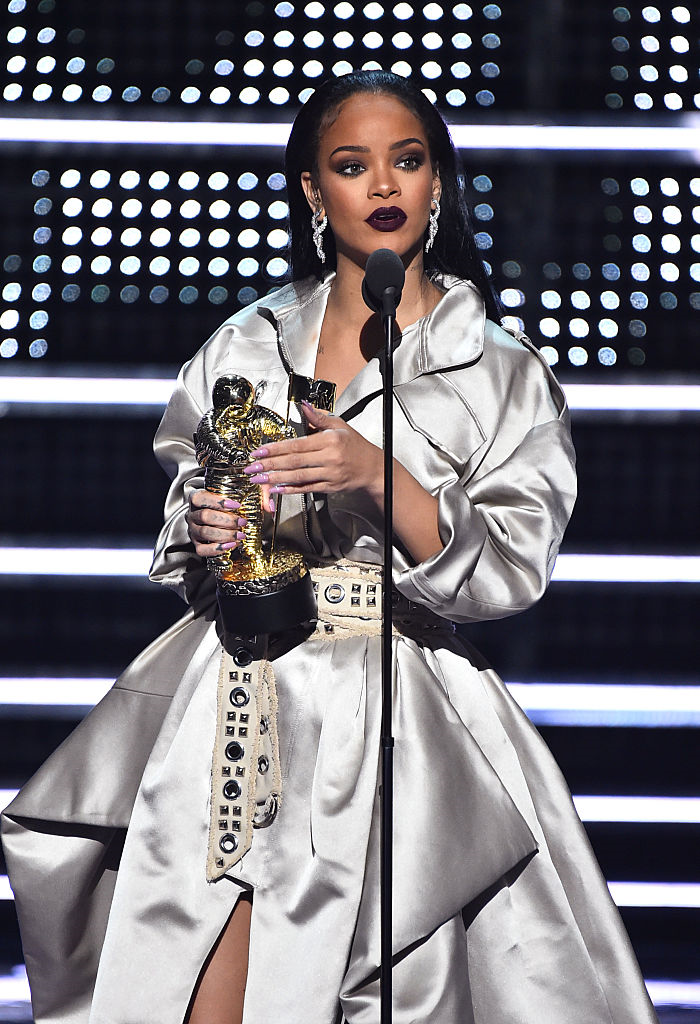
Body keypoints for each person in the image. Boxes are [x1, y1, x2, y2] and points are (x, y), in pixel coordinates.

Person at [1, 70, 658, 1024]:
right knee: (190, 982)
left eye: (408, 161)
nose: (383, 187)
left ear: (439, 182)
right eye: (352, 167)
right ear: (315, 191)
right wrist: (211, 527)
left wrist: (376, 474)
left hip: (401, 718)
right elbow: (189, 498)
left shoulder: (501, 370)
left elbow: (515, 565)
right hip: (233, 697)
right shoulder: (249, 344)